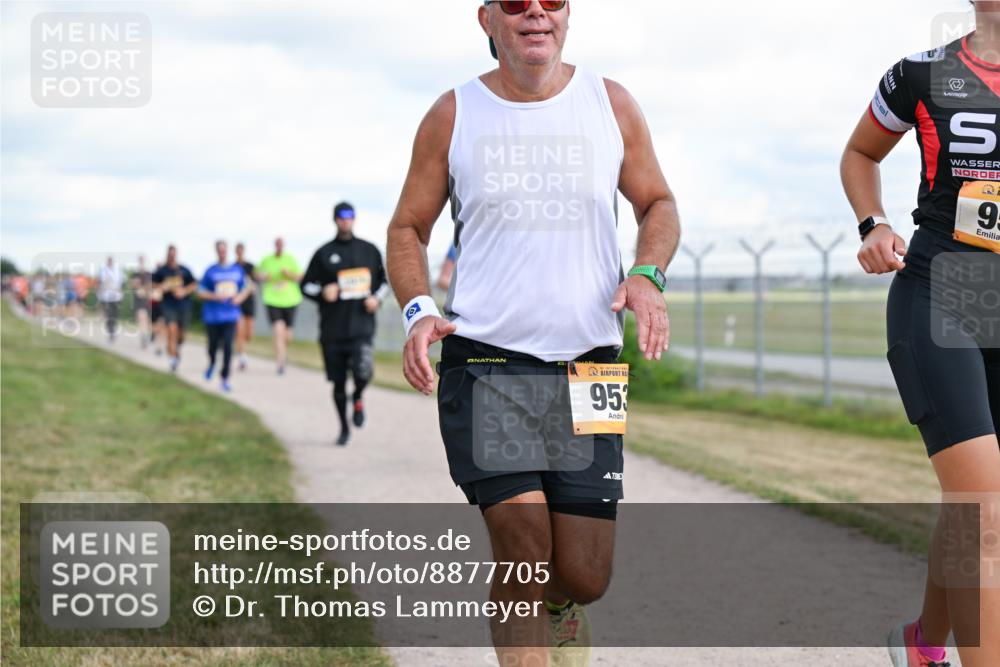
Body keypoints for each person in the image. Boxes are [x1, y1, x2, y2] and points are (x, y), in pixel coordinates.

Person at [386, 2, 679, 664]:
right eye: (517, 2)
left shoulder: (611, 104)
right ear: (488, 18)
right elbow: (407, 226)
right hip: (488, 360)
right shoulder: (452, 114)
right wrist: (417, 309)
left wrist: (647, 274)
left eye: (552, 1)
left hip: (591, 367)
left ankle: (561, 607)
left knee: (583, 572)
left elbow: (657, 202)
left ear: (569, 15)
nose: (536, 13)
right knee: (522, 541)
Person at [841, 10, 1000, 666]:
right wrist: (872, 224)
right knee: (983, 510)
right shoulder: (922, 73)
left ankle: (923, 642)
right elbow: (860, 153)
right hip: (941, 289)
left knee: (975, 502)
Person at [302, 202, 390, 446]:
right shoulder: (323, 253)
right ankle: (343, 427)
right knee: (338, 382)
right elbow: (305, 285)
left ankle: (359, 396)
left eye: (350, 216)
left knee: (363, 371)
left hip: (362, 326)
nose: (345, 220)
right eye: (341, 216)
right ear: (335, 220)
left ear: (354, 219)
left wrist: (376, 299)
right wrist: (322, 291)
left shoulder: (369, 251)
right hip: (333, 330)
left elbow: (385, 282)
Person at [198, 241, 251, 392]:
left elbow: (247, 287)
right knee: (213, 346)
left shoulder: (237, 270)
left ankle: (225, 378)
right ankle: (212, 362)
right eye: (219, 250)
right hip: (212, 316)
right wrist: (214, 296)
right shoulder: (210, 271)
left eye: (224, 250)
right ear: (216, 251)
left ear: (227, 251)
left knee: (228, 346)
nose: (222, 252)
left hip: (230, 315)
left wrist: (240, 297)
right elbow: (200, 291)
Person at [257, 237, 303, 375]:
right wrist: (263, 277)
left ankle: (283, 351)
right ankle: (280, 362)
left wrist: (288, 274)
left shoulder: (290, 259)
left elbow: (300, 277)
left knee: (287, 336)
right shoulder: (266, 260)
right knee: (278, 331)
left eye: (281, 244)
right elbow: (257, 274)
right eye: (277, 244)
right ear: (274, 245)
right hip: (272, 299)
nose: (279, 246)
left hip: (290, 300)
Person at [152, 245, 197, 372]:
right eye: (169, 255)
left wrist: (184, 291)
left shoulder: (184, 270)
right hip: (168, 305)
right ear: (167, 255)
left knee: (181, 335)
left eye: (173, 255)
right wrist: (162, 286)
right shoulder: (162, 271)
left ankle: (176, 348)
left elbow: (194, 284)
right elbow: (152, 284)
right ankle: (172, 359)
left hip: (183, 305)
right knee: (171, 330)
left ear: (176, 255)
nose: (171, 257)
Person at [234, 242, 257, 371]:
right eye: (238, 250)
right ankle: (242, 356)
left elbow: (254, 285)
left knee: (248, 334)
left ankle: (242, 349)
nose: (240, 252)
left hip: (249, 302)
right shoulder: (232, 267)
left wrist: (249, 285)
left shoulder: (251, 267)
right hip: (237, 302)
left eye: (242, 250)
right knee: (240, 331)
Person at [97, 256, 124, 342]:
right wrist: (100, 294)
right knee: (109, 314)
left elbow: (122, 283)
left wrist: (120, 290)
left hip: (116, 297)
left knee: (115, 314)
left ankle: (113, 328)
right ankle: (110, 330)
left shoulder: (118, 271)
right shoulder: (103, 271)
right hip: (106, 297)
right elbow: (99, 283)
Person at [131, 255, 153, 349]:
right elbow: (134, 285)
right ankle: (143, 337)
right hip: (139, 301)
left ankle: (146, 335)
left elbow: (150, 286)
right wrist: (141, 288)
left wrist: (144, 289)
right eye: (140, 261)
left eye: (143, 261)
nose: (141, 263)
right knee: (141, 318)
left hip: (148, 301)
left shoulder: (149, 274)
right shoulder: (135, 274)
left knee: (147, 321)